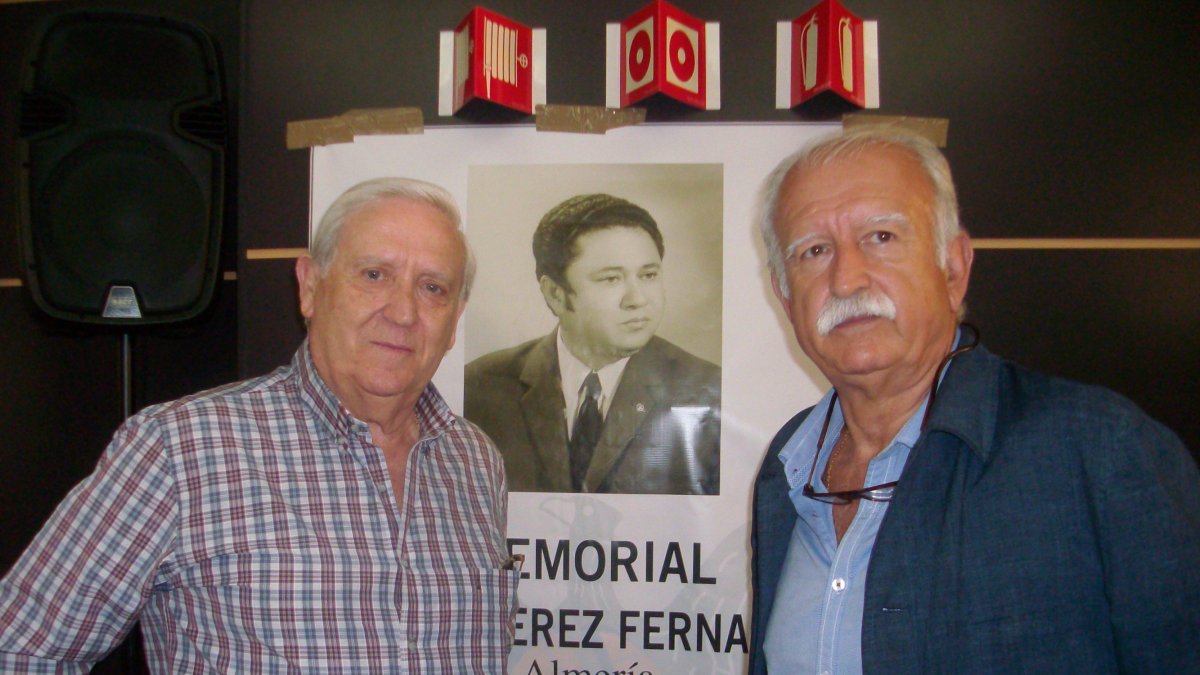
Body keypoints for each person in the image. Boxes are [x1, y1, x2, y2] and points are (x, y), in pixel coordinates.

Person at [0, 178, 519, 672]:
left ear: (455, 321)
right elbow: (21, 649)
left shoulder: (475, 461)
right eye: (374, 275)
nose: (403, 311)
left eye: (433, 288)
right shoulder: (179, 449)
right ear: (310, 287)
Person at [749, 127, 1200, 673]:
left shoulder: (1097, 450)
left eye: (881, 237)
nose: (846, 278)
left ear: (954, 267)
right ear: (784, 294)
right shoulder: (787, 470)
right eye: (815, 251)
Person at [465, 193, 720, 495]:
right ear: (556, 295)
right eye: (611, 279)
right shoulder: (481, 388)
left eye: (649, 275)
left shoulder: (707, 389)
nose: (638, 300)